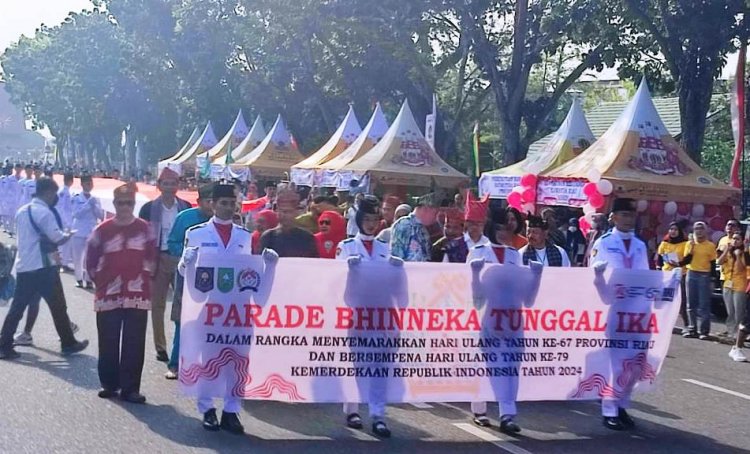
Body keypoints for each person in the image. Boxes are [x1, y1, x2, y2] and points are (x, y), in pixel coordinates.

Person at [178, 184, 265, 434]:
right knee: (209, 360)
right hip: (208, 306)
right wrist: (187, 261)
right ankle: (207, 408)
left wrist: (267, 266)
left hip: (237, 309)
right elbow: (184, 273)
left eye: (232, 203)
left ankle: (231, 410)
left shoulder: (244, 236)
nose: (228, 207)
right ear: (212, 204)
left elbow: (249, 272)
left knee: (238, 362)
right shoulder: (196, 234)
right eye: (223, 203)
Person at [0, 177, 89, 359]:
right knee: (58, 306)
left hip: (25, 266)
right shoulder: (44, 213)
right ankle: (68, 342)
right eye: (53, 194)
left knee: (17, 308)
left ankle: (4, 344)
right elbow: (57, 238)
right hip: (43, 267)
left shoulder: (22, 211)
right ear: (48, 192)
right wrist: (68, 235)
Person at [85, 183, 156, 403]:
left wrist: (145, 281)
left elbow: (153, 258)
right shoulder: (102, 230)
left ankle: (130, 388)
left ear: (133, 205)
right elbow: (90, 260)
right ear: (115, 204)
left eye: (129, 203)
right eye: (121, 203)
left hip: (137, 294)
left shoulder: (146, 229)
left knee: (134, 342)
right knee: (108, 340)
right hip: (108, 294)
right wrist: (101, 282)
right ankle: (109, 383)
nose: (125, 207)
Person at [336, 194, 400, 437]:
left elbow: (396, 285)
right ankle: (352, 408)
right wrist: (347, 271)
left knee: (379, 367)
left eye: (375, 219)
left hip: (382, 315)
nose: (371, 224)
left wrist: (397, 270)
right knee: (357, 365)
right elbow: (334, 281)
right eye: (367, 219)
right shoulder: (347, 247)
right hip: (357, 314)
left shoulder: (386, 249)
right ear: (359, 220)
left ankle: (378, 414)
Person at [589, 198, 649, 431]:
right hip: (613, 308)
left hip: (637, 310)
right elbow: (593, 275)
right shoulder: (604, 242)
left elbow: (646, 276)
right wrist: (598, 276)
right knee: (615, 361)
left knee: (634, 363)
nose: (628, 219)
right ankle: (609, 409)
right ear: (613, 217)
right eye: (623, 215)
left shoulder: (640, 245)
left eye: (631, 215)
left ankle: (622, 403)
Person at [138, 167, 192, 363]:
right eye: (166, 183)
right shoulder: (148, 209)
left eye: (173, 183)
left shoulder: (186, 208)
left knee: (184, 303)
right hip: (157, 258)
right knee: (157, 305)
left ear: (178, 186)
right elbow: (142, 237)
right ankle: (160, 347)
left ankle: (182, 345)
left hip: (181, 258)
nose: (169, 187)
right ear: (159, 186)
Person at [164, 183, 215, 380]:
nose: (212, 205)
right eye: (209, 201)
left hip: (215, 280)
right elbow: (172, 243)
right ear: (200, 201)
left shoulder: (223, 222)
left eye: (215, 201)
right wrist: (187, 256)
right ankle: (175, 364)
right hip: (188, 276)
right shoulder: (185, 218)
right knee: (183, 321)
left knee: (211, 321)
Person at [259, 186, 319, 258]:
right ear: (277, 212)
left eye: (289, 212)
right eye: (282, 211)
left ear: (296, 213)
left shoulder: (307, 237)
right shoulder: (268, 237)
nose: (285, 215)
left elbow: (312, 263)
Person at [682, 221, 717, 340]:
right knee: (690, 304)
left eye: (701, 228)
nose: (699, 231)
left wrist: (712, 280)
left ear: (706, 230)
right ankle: (692, 329)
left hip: (704, 275)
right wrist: (691, 246)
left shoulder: (710, 245)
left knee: (704, 305)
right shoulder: (690, 244)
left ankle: (704, 331)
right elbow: (686, 260)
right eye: (697, 228)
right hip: (691, 273)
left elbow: (713, 263)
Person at [70, 174, 104, 288]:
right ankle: (79, 279)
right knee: (77, 257)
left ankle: (89, 279)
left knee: (89, 257)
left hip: (91, 231)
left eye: (91, 183)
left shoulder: (95, 199)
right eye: (87, 183)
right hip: (79, 230)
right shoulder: (76, 197)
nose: (90, 185)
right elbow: (76, 214)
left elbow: (101, 216)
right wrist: (87, 205)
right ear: (82, 184)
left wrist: (95, 206)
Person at [655, 222, 689, 333]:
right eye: (671, 229)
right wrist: (658, 268)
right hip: (667, 275)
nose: (672, 232)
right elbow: (659, 257)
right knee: (665, 300)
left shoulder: (685, 243)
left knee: (682, 300)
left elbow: (688, 259)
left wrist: (678, 264)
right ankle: (663, 323)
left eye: (675, 230)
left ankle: (686, 325)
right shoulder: (664, 243)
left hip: (680, 274)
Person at [390, 193, 439, 262]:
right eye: (435, 213)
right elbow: (396, 256)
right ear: (426, 209)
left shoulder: (423, 230)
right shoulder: (404, 225)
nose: (435, 218)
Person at [717, 232, 748, 341]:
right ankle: (730, 332)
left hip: (740, 285)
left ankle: (737, 334)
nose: (735, 241)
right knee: (730, 310)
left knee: (738, 311)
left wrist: (738, 256)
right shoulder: (728, 251)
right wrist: (726, 251)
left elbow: (740, 268)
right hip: (727, 283)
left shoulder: (745, 252)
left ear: (742, 241)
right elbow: (719, 262)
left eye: (738, 239)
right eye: (734, 239)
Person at [57, 173, 75, 272]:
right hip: (65, 220)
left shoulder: (66, 191)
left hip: (67, 218)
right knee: (64, 243)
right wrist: (66, 222)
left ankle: (64, 263)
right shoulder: (63, 192)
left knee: (66, 243)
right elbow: (61, 208)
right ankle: (62, 263)